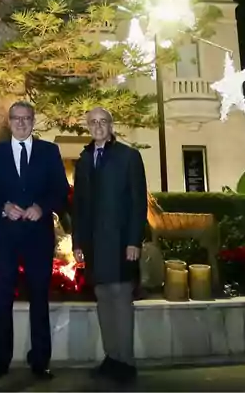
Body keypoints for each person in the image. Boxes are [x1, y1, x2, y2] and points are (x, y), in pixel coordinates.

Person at [0, 101, 69, 380]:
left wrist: (42, 207)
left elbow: (61, 190)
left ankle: (40, 360)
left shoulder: (49, 152)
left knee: (39, 298)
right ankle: (0, 358)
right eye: (16, 118)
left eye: (26, 118)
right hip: (6, 236)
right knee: (2, 298)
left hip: (38, 237)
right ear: (9, 121)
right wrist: (3, 206)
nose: (21, 123)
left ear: (33, 121)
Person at [71, 107, 148, 384]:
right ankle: (112, 357)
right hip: (93, 246)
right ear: (88, 127)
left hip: (120, 243)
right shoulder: (83, 159)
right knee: (103, 301)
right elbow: (78, 205)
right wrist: (77, 241)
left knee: (121, 300)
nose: (98, 126)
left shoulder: (129, 157)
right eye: (93, 122)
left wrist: (133, 241)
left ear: (111, 125)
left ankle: (126, 362)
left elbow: (139, 203)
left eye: (103, 121)